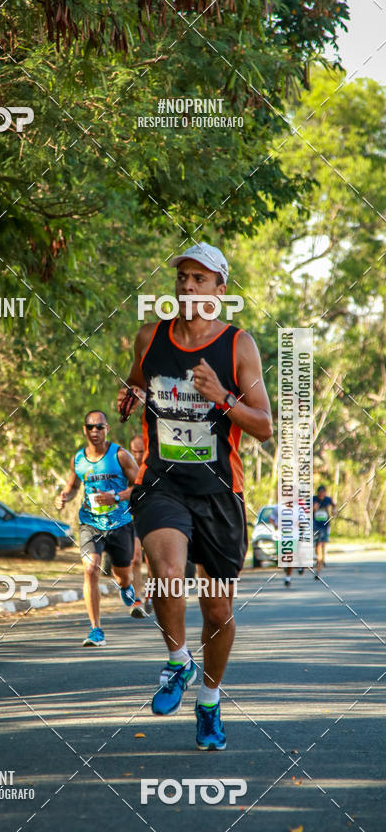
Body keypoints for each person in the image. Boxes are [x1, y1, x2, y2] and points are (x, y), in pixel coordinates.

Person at [117, 242, 272, 750]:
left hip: (218, 490)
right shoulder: (150, 336)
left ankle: (209, 700)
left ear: (219, 291)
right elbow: (138, 383)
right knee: (166, 573)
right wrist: (131, 396)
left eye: (200, 279)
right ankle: (178, 661)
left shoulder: (237, 346)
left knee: (218, 611)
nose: (188, 287)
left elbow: (265, 427)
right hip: (162, 481)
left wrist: (221, 398)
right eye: (183, 277)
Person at [55, 411, 140, 646]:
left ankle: (126, 587)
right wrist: (64, 497)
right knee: (90, 568)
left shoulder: (120, 456)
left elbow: (140, 486)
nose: (94, 431)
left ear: (107, 429)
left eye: (99, 427)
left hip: (120, 523)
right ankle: (95, 630)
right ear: (84, 430)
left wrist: (115, 497)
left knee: (122, 575)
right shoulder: (78, 459)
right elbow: (72, 487)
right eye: (90, 427)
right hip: (90, 523)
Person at [129, 433, 152, 615]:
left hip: (153, 517)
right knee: (135, 558)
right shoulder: (126, 466)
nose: (137, 455)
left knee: (151, 560)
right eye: (134, 451)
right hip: (133, 518)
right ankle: (137, 600)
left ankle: (150, 594)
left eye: (141, 451)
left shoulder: (153, 467)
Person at [268, 501, 310, 588]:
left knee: (290, 555)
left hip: (294, 535)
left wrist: (298, 525)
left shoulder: (298, 508)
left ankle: (288, 578)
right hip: (282, 535)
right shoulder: (278, 507)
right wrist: (276, 525)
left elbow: (303, 521)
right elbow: (271, 518)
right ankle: (294, 567)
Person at [313, 484, 335, 579]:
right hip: (315, 525)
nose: (321, 494)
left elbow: (334, 505)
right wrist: (314, 509)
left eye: (323, 493)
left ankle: (321, 562)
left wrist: (333, 511)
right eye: (320, 493)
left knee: (322, 544)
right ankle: (319, 559)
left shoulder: (327, 499)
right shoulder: (313, 499)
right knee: (317, 546)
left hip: (325, 525)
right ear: (317, 493)